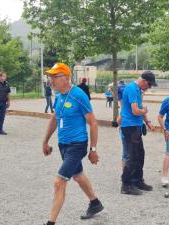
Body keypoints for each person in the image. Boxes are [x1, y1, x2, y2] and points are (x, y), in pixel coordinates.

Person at [42, 63, 103, 225]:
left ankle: (51, 222)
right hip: (63, 145)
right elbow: (55, 118)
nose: (51, 81)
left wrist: (93, 149)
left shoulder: (78, 95)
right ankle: (95, 203)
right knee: (78, 175)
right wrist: (45, 141)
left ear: (66, 78)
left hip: (77, 145)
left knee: (59, 181)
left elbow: (93, 123)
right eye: (50, 77)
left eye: (55, 77)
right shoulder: (59, 96)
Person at [120, 71, 156, 195]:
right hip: (129, 126)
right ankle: (126, 185)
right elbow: (136, 111)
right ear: (144, 81)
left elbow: (139, 108)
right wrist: (144, 110)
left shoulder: (138, 90)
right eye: (150, 85)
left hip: (136, 126)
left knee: (140, 154)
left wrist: (147, 122)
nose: (149, 88)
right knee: (132, 156)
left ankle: (137, 180)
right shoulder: (132, 89)